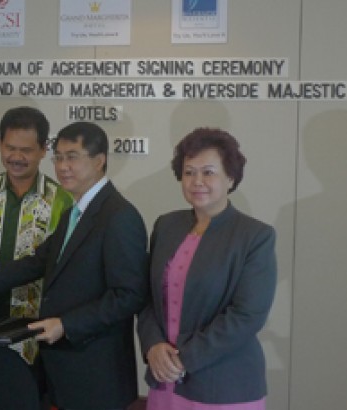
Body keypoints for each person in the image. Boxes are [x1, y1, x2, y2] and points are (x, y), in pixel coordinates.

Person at [0, 121, 148, 410]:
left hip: (96, 373)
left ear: (100, 161)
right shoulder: (76, 212)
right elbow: (35, 264)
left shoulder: (119, 216)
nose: (63, 166)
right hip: (61, 366)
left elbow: (129, 295)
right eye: (59, 157)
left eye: (72, 157)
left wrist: (66, 325)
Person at [136, 128, 277, 409]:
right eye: (189, 172)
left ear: (231, 178)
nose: (197, 181)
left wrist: (182, 359)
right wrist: (153, 346)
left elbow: (247, 315)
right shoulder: (166, 225)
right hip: (164, 379)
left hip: (224, 384)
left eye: (208, 172)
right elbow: (147, 297)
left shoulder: (254, 235)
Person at [0, 107, 73, 364]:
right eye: (9, 147)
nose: (16, 156)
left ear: (43, 150)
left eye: (26, 150)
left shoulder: (62, 202)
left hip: (36, 339)